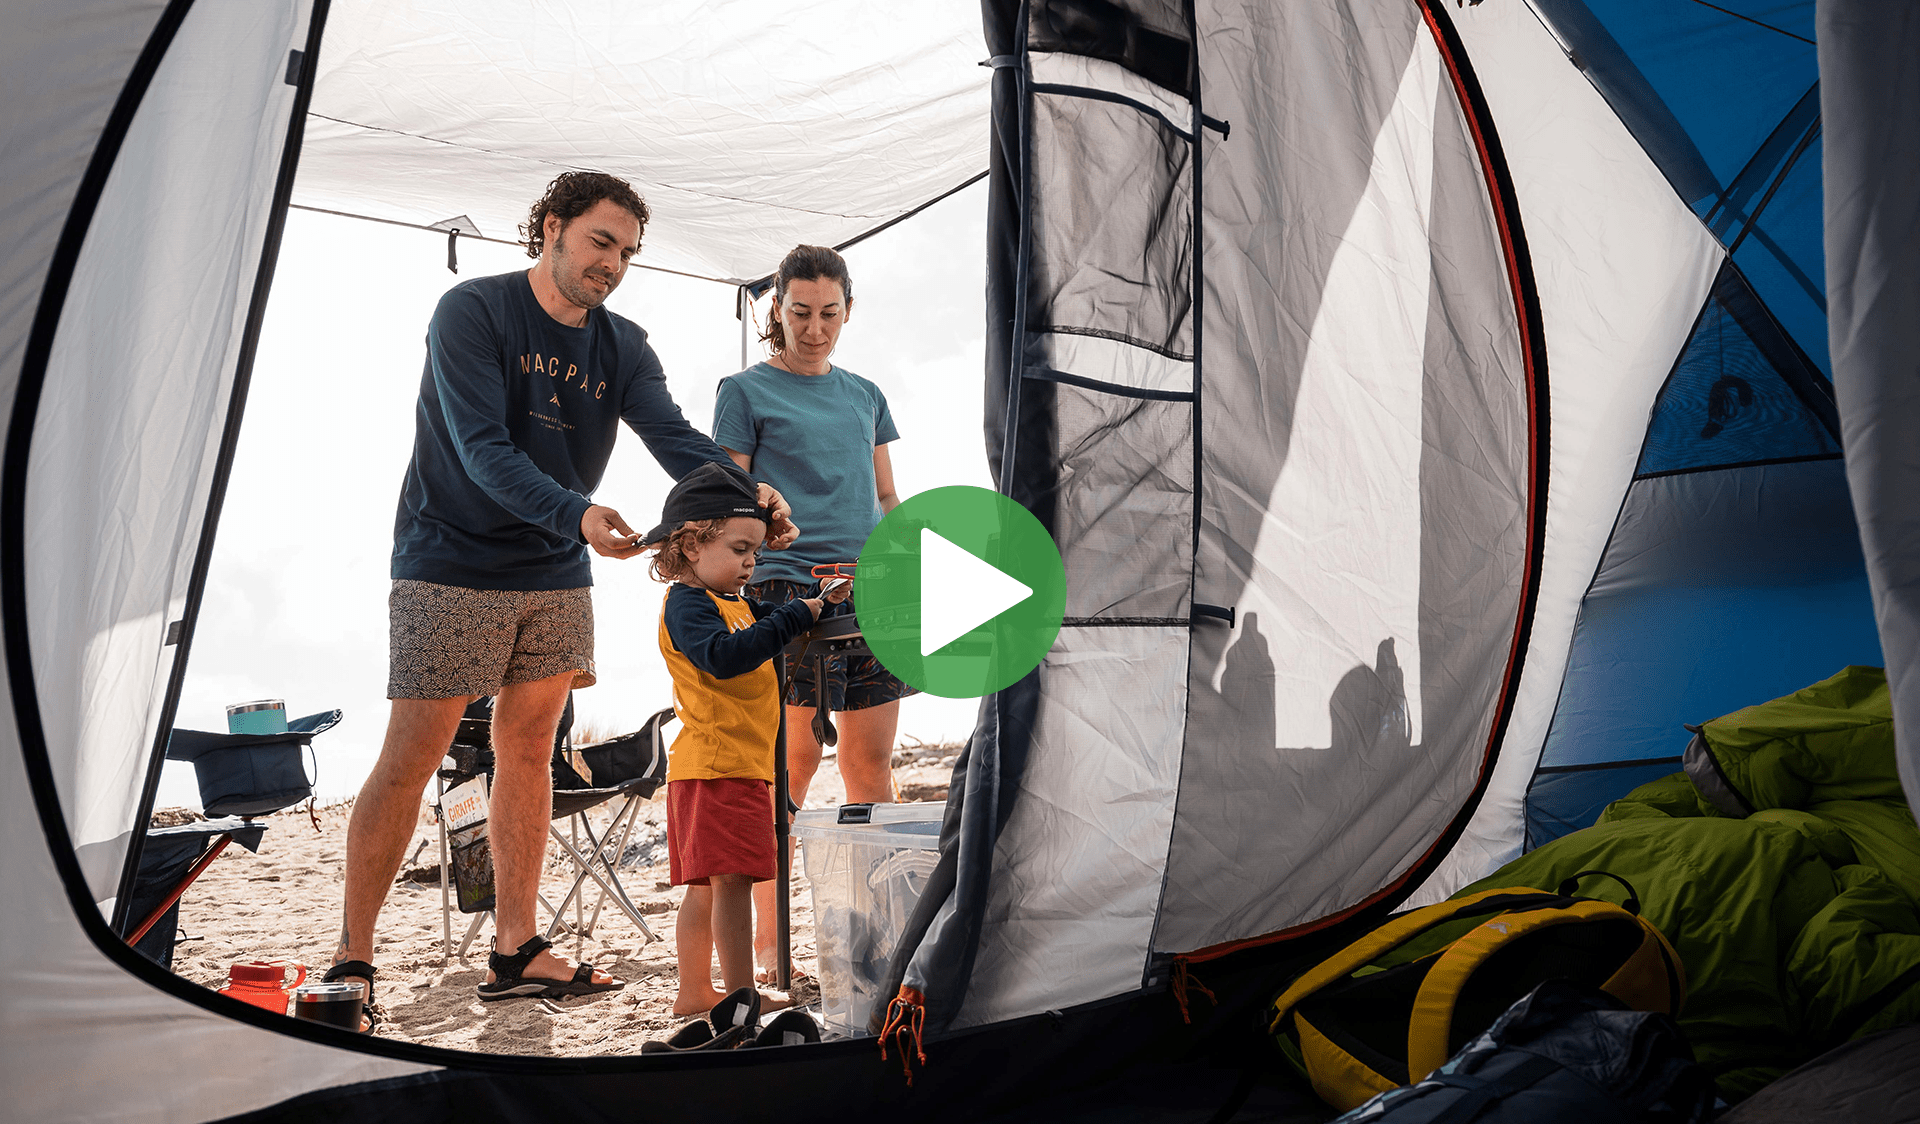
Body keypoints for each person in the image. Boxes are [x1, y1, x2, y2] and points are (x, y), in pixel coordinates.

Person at [327, 171, 797, 1027]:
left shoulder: (624, 347)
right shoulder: (474, 313)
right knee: (416, 750)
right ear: (550, 228)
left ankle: (515, 947)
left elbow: (673, 438)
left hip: (554, 570)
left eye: (627, 253)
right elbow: (480, 448)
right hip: (449, 557)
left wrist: (748, 492)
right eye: (600, 242)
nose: (613, 265)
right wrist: (575, 512)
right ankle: (353, 957)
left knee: (530, 746)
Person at [710, 244, 911, 982]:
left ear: (848, 311)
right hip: (782, 594)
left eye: (829, 313)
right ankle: (771, 942)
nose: (815, 327)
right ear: (776, 310)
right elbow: (728, 495)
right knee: (789, 762)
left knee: (869, 762)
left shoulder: (866, 394)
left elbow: (887, 497)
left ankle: (885, 930)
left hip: (871, 594)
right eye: (799, 312)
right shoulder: (744, 390)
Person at [642, 461, 848, 1015]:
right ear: (688, 546)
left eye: (755, 552)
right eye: (739, 550)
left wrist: (814, 605)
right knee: (730, 886)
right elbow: (727, 657)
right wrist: (792, 619)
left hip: (729, 766)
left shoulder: (733, 602)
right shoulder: (689, 604)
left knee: (708, 886)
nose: (751, 563)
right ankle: (739, 997)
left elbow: (770, 617)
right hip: (718, 767)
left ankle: (695, 993)